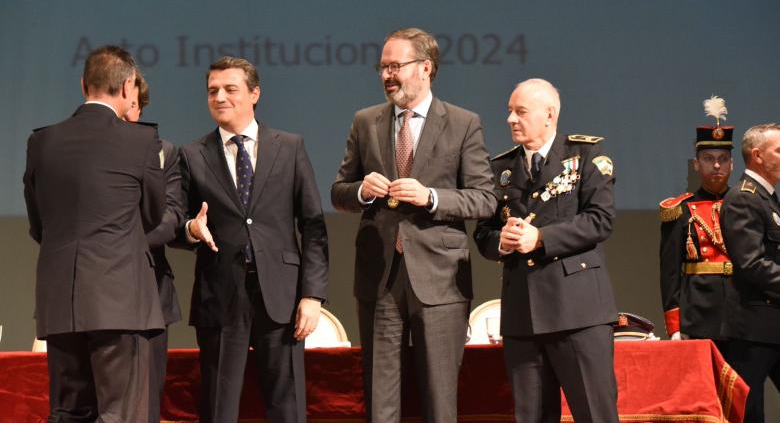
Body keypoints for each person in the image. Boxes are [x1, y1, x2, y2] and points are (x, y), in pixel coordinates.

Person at [331, 27, 496, 422]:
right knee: (380, 400)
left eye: (395, 66)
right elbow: (339, 190)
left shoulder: (462, 123)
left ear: (425, 67)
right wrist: (361, 191)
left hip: (439, 281)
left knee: (439, 401)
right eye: (382, 67)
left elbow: (485, 198)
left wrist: (432, 197)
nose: (387, 75)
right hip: (379, 277)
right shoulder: (365, 121)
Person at [175, 56, 328, 423]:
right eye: (213, 91)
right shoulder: (193, 155)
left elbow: (313, 226)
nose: (220, 97)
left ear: (254, 93)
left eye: (230, 89)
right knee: (219, 406)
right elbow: (177, 222)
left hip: (282, 297)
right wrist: (190, 230)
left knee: (286, 404)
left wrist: (312, 295)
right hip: (220, 294)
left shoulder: (289, 147)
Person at [23, 45, 166, 422]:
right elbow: (152, 216)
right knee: (121, 414)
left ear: (84, 84)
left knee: (69, 412)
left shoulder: (42, 141)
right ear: (128, 88)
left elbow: (39, 224)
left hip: (60, 301)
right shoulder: (140, 141)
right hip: (119, 302)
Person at [473, 78, 619, 423]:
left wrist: (540, 239)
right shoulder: (500, 169)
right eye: (509, 111)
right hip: (523, 313)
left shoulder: (585, 156)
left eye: (520, 112)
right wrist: (502, 242)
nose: (510, 119)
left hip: (578, 313)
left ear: (549, 114)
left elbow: (600, 221)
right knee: (531, 416)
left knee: (594, 414)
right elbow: (483, 234)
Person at [125, 73, 185, 423]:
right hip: (99, 290)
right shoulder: (88, 149)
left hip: (150, 291)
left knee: (147, 406)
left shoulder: (163, 152)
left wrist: (123, 243)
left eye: (134, 105)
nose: (128, 112)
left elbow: (172, 214)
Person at [659, 96, 734, 351]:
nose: (716, 165)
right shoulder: (678, 210)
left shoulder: (747, 205)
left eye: (723, 158)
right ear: (696, 164)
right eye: (708, 158)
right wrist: (675, 326)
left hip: (741, 315)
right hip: (698, 315)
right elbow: (670, 273)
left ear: (732, 164)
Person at [720, 123, 780, 423]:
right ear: (757, 155)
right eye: (779, 150)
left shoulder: (767, 198)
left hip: (773, 324)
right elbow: (752, 264)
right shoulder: (745, 197)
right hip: (754, 329)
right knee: (749, 412)